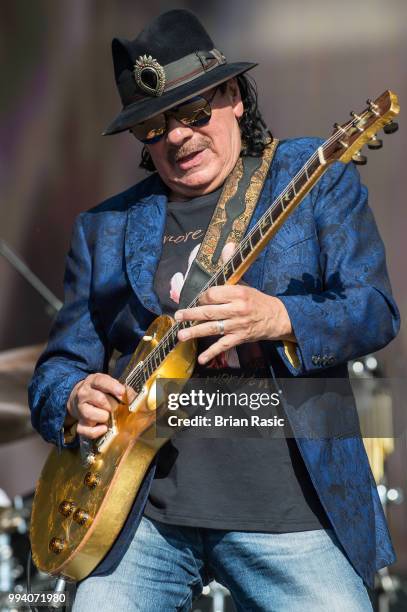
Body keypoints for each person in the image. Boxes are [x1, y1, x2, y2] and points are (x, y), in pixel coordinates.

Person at [29, 9, 400, 612]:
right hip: (142, 519)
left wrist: (278, 318)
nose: (177, 136)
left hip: (287, 516)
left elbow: (374, 310)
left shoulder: (310, 179)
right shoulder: (106, 226)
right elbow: (57, 368)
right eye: (152, 126)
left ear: (232, 96)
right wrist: (74, 398)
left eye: (193, 112)